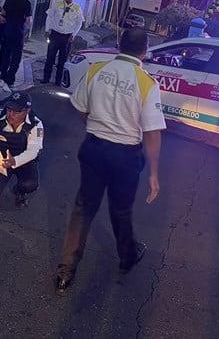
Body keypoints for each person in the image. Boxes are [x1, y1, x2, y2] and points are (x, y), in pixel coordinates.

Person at [55, 28, 166, 294]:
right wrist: (153, 173)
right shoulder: (147, 83)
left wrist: (97, 126)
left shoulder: (96, 70)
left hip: (93, 148)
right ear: (145, 50)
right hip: (125, 156)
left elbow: (80, 107)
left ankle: (65, 271)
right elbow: (152, 132)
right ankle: (127, 257)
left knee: (83, 208)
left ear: (119, 45)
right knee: (121, 210)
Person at [0, 91, 43, 207]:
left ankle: (19, 192)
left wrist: (14, 161)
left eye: (17, 112)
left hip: (23, 160)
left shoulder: (36, 124)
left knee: (30, 184)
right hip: (1, 160)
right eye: (9, 109)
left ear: (27, 110)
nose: (11, 114)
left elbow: (34, 150)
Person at [42, 0, 84, 85]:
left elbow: (79, 23)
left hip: (66, 38)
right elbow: (49, 16)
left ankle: (57, 82)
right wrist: (47, 29)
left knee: (62, 61)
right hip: (55, 35)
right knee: (50, 58)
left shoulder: (77, 8)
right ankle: (46, 79)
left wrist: (73, 34)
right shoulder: (57, 4)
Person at [0, 0, 32, 92]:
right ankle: (10, 80)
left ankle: (2, 77)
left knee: (6, 54)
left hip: (8, 30)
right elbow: (28, 21)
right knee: (16, 58)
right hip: (18, 32)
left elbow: (3, 13)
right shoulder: (27, 3)